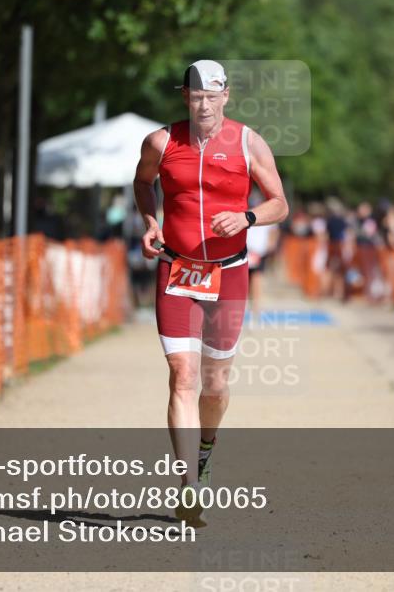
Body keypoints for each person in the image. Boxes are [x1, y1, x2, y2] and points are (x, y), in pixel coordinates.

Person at [132, 60, 288, 525]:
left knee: (215, 385)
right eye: (195, 96)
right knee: (183, 375)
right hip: (177, 270)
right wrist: (150, 221)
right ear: (185, 97)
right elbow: (143, 183)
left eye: (212, 95)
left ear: (226, 96)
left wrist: (248, 218)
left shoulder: (247, 142)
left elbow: (280, 202)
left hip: (229, 273)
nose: (204, 104)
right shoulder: (161, 142)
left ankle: (205, 449)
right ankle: (188, 485)